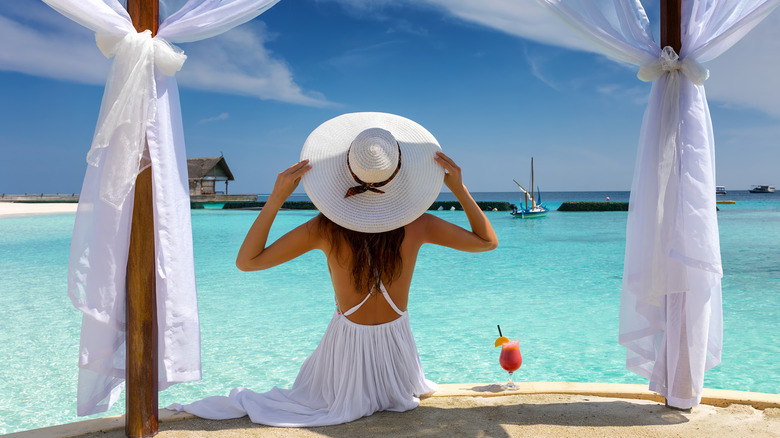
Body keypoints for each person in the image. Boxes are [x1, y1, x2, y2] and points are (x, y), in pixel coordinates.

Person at [170, 112, 498, 427]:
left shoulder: (325, 228)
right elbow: (487, 241)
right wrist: (458, 189)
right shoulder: (419, 224)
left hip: (345, 361)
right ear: (398, 172)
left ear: (348, 171)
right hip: (399, 363)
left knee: (298, 400)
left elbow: (247, 261)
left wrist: (276, 199)